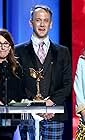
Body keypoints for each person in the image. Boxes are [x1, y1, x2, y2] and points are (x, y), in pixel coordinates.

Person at [15, 4, 72, 140]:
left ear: (51, 24)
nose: (42, 24)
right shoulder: (18, 51)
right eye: (38, 20)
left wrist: (51, 104)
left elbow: (68, 84)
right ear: (31, 23)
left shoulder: (62, 52)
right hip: (28, 115)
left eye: (46, 20)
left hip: (55, 114)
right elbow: (16, 83)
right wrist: (35, 107)